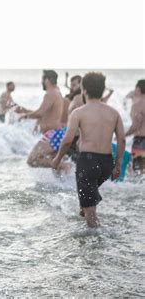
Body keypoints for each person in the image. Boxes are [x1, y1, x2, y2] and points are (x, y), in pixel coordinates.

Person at [52, 72, 125, 228]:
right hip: (106, 164)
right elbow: (121, 139)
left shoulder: (79, 112)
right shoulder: (114, 113)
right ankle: (86, 207)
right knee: (87, 199)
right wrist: (117, 164)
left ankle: (97, 244)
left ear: (84, 90)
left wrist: (57, 159)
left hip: (87, 162)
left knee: (91, 217)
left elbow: (67, 141)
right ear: (103, 89)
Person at [20, 70, 69, 170]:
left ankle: (66, 167)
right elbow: (45, 113)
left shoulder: (50, 94)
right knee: (54, 165)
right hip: (57, 133)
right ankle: (67, 181)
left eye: (42, 79)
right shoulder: (57, 92)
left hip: (53, 134)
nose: (41, 82)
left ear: (47, 80)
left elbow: (40, 113)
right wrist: (26, 111)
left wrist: (25, 116)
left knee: (32, 160)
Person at [125, 79, 145, 174]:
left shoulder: (137, 105)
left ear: (138, 88)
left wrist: (123, 135)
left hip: (141, 140)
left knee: (139, 172)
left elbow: (135, 126)